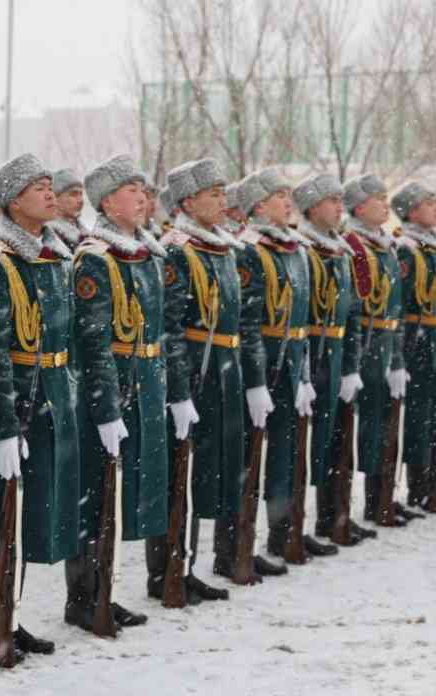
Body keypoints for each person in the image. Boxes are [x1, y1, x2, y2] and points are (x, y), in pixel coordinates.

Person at [0, 153, 78, 662]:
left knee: (20, 514)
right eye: (38, 187)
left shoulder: (48, 256)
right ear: (11, 202)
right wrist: (4, 426)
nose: (50, 194)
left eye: (51, 185)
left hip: (45, 399)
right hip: (5, 410)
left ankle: (11, 611)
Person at [71, 154, 168, 629]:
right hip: (111, 393)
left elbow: (156, 332)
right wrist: (106, 408)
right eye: (133, 191)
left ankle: (104, 589)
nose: (144, 198)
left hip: (144, 385)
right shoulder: (95, 258)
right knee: (97, 495)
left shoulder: (142, 253)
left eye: (145, 190)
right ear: (108, 201)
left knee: (121, 494)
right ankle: (86, 596)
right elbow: (94, 342)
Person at [160, 157, 251, 603]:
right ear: (189, 201)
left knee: (211, 468)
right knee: (185, 470)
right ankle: (172, 568)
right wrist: (179, 390)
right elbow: (170, 328)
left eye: (223, 192)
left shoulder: (220, 246)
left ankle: (192, 560)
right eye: (213, 193)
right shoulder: (180, 249)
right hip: (198, 369)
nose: (222, 200)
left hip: (224, 368)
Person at [234, 168, 314, 572]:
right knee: (249, 461)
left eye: (288, 194)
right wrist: (254, 381)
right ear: (259, 206)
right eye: (279, 195)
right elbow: (246, 324)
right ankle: (239, 547)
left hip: (291, 362)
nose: (288, 201)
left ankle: (282, 534)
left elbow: (304, 320)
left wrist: (303, 376)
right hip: (264, 362)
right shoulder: (251, 251)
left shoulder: (295, 250)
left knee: (285, 455)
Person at [296, 174, 369, 549]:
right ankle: (293, 529)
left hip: (337, 354)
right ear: (312, 208)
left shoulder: (339, 248)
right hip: (314, 355)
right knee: (304, 446)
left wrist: (352, 365)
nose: (340, 207)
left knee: (336, 441)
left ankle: (332, 517)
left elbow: (353, 313)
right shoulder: (304, 249)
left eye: (342, 200)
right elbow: (297, 320)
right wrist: (304, 373)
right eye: (332, 201)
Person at [342, 174, 417, 528]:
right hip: (368, 343)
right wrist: (353, 362)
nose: (385, 205)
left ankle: (383, 496)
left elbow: (396, 308)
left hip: (387, 341)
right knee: (369, 425)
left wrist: (399, 359)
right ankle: (367, 503)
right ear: (359, 207)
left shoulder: (384, 244)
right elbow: (355, 307)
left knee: (388, 422)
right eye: (378, 199)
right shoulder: (354, 245)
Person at [391, 181, 436, 512]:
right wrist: (400, 356)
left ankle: (435, 483)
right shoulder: (407, 249)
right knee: (418, 417)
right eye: (428, 202)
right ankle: (417, 486)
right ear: (411, 211)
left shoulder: (434, 247)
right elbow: (401, 307)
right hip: (416, 342)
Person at [48, 168, 87, 250]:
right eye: (73, 194)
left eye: (81, 194)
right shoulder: (49, 237)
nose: (81, 200)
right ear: (55, 198)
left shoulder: (86, 234)